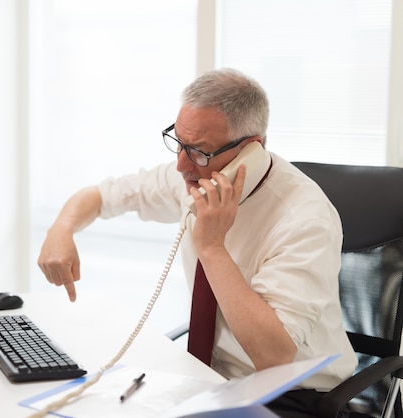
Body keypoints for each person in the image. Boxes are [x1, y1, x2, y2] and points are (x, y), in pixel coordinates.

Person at [37, 68, 358, 417]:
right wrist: (61, 229)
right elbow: (101, 196)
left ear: (249, 151)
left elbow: (274, 357)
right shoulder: (194, 176)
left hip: (291, 395)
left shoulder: (304, 220)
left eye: (199, 151)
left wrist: (212, 247)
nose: (181, 165)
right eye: (178, 142)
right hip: (209, 380)